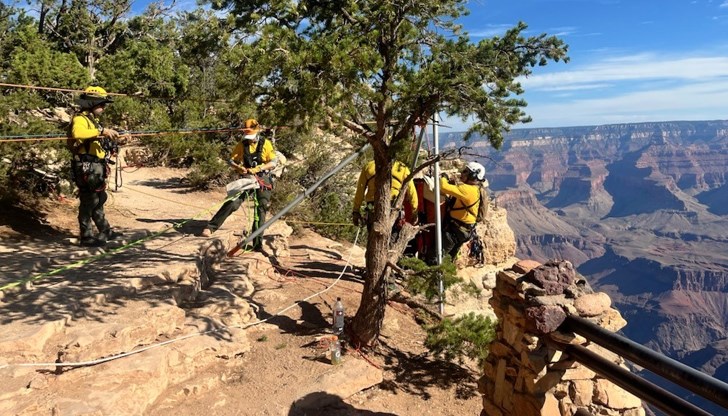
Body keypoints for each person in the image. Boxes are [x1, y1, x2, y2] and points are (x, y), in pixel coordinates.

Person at [201, 119, 278, 251]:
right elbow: (231, 160)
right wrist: (238, 167)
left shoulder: (266, 144)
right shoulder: (242, 145)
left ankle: (257, 243)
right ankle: (211, 227)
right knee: (233, 202)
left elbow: (273, 162)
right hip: (247, 178)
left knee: (261, 207)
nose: (250, 140)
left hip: (263, 178)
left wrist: (258, 169)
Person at [69, 86, 120, 247]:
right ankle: (87, 236)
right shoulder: (80, 119)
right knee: (89, 200)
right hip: (86, 165)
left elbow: (97, 140)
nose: (103, 107)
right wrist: (102, 131)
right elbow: (78, 133)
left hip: (96, 165)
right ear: (91, 103)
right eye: (101, 104)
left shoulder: (92, 121)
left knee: (99, 199)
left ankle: (105, 230)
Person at [352, 160, 418, 233]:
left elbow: (360, 190)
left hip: (372, 206)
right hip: (394, 206)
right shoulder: (402, 167)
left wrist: (356, 210)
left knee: (373, 235)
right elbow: (412, 191)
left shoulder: (369, 166)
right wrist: (414, 210)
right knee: (393, 237)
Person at [439, 161, 486, 259]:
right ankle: (444, 272)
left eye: (465, 171)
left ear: (473, 175)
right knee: (449, 257)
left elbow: (443, 187)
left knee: (438, 256)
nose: (462, 173)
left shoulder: (467, 190)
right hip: (464, 230)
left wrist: (443, 177)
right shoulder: (476, 188)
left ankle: (433, 272)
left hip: (456, 229)